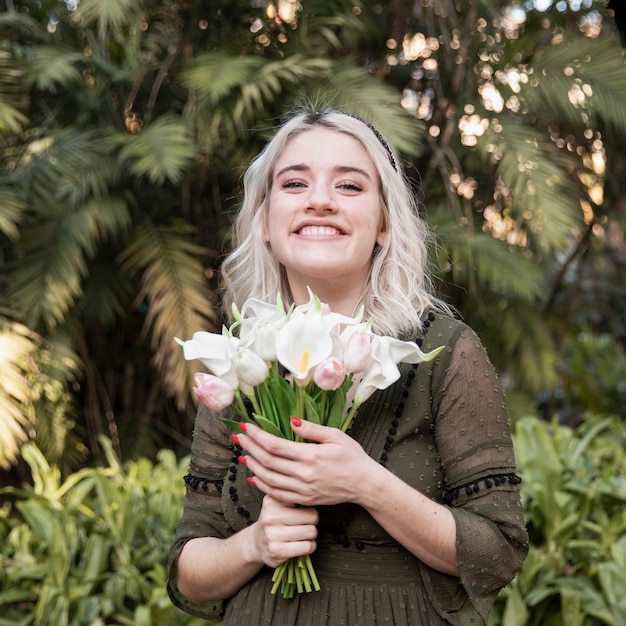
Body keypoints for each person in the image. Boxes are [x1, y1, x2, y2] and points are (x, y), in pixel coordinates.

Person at [167, 108, 528, 625]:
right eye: (295, 183)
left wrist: (365, 483)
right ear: (266, 222)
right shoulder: (241, 359)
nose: (320, 200)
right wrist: (255, 544)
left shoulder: (446, 352)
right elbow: (186, 569)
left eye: (350, 186)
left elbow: (499, 554)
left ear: (383, 223)